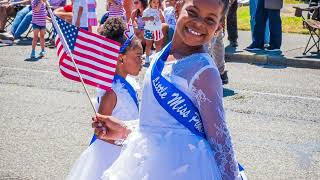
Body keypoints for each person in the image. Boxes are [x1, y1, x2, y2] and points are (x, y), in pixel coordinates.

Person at [92, 0, 243, 179]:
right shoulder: (162, 56)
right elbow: (159, 125)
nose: (199, 23)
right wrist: (124, 129)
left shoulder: (204, 71)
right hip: (150, 166)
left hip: (185, 169)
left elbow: (220, 139)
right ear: (178, 8)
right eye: (193, 12)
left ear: (218, 27)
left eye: (210, 20)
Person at [67, 17, 143, 180]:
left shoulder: (129, 82)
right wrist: (128, 142)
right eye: (138, 56)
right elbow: (101, 133)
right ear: (121, 58)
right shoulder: (111, 93)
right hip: (111, 157)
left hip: (128, 147)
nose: (142, 61)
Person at [142, 0, 165, 65]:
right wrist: (149, 18)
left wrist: (161, 14)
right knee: (148, 45)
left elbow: (162, 19)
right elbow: (143, 19)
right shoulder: (147, 11)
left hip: (157, 29)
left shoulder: (159, 10)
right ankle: (147, 57)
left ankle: (157, 58)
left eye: (157, 2)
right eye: (154, 2)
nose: (156, 4)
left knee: (158, 44)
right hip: (149, 30)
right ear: (150, 3)